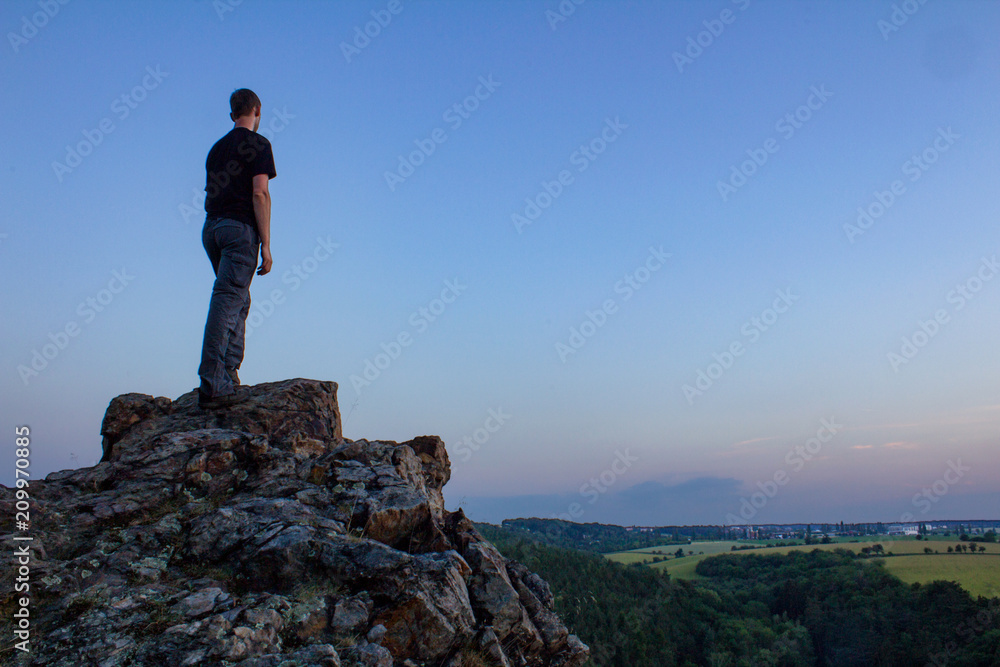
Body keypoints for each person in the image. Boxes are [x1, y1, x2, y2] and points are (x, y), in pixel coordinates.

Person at [197, 88, 276, 409]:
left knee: (238, 298)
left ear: (233, 114)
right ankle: (214, 382)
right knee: (228, 300)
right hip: (239, 229)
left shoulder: (216, 149)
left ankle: (228, 372)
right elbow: (260, 193)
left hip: (212, 227)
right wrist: (267, 245)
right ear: (257, 110)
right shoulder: (259, 144)